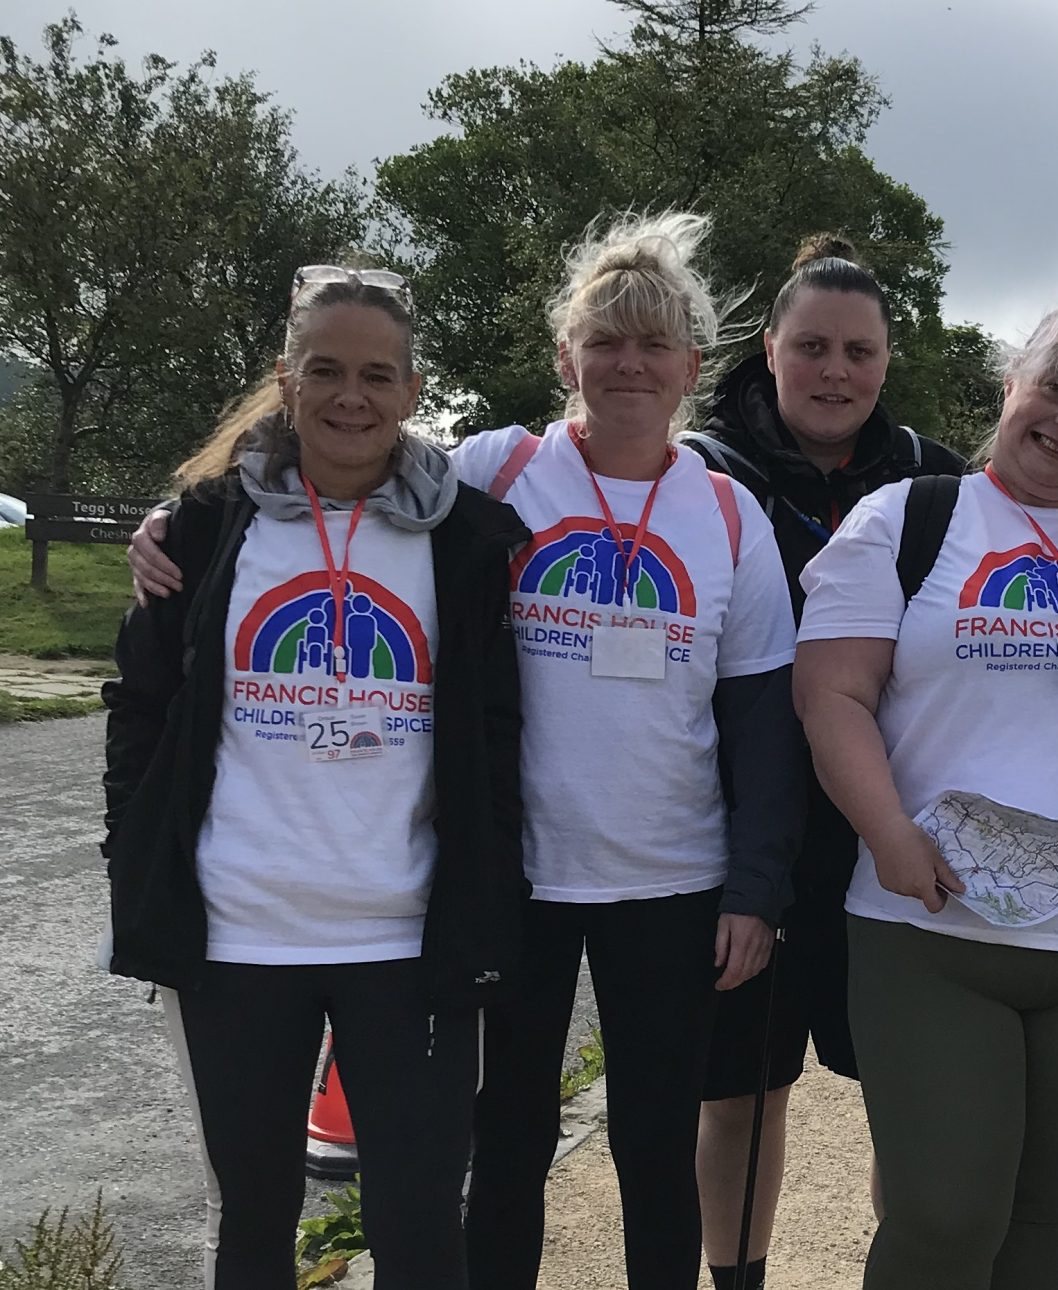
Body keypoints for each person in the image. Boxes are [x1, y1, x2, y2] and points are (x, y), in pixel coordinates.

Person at [122, 213, 809, 1290]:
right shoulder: (494, 470)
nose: (627, 362)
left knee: (654, 1148)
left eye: (653, 342)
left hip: (674, 878)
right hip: (512, 879)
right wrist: (182, 515)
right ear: (565, 356)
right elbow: (333, 454)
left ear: (690, 365)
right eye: (605, 339)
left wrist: (758, 888)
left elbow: (766, 716)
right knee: (509, 1150)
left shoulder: (726, 513)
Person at [101, 266, 528, 1290]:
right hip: (239, 934)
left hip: (405, 941)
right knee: (253, 1220)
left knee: (421, 1225)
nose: (352, 397)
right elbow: (141, 710)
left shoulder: (468, 544)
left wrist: (487, 888)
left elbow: (498, 734)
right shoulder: (201, 533)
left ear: (413, 391)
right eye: (326, 371)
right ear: (286, 381)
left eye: (377, 375)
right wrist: (133, 857)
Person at [793, 297, 1058, 1290]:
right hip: (930, 929)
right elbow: (831, 693)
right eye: (1056, 384)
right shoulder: (907, 521)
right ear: (1011, 382)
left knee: (1043, 1216)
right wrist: (885, 831)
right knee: (945, 1218)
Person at [681, 234, 967, 1290]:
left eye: (858, 350)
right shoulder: (702, 475)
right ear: (769, 350)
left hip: (889, 825)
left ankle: (905, 1269)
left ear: (888, 359)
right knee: (740, 1094)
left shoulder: (939, 484)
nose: (835, 372)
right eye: (812, 348)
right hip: (746, 825)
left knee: (908, 1092)